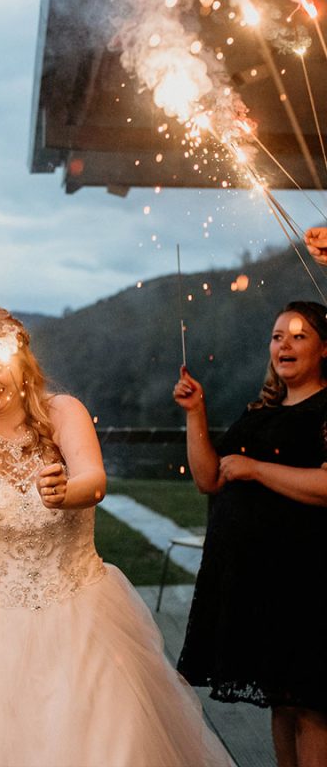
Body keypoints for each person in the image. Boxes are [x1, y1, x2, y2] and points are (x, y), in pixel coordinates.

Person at [0, 306, 231, 767]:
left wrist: (65, 493)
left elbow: (94, 480)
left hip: (80, 614)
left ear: (20, 362)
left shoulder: (62, 412)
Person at [174, 300, 327, 766]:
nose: (284, 344)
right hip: (264, 584)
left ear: (324, 348)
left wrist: (257, 470)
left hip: (311, 578)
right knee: (280, 700)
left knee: (312, 705)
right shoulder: (260, 411)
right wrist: (195, 412)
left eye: (298, 336)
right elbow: (209, 478)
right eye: (277, 336)